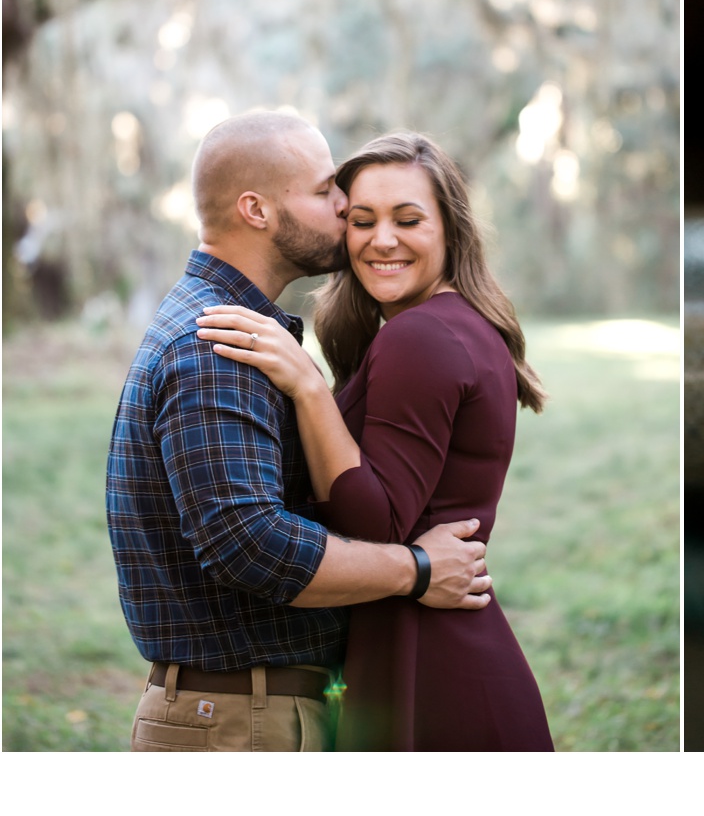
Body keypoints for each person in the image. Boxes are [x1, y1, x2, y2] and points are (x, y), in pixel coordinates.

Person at [108, 111, 494, 752]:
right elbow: (248, 541)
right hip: (239, 721)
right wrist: (419, 569)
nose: (345, 207)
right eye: (324, 191)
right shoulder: (217, 344)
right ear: (256, 210)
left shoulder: (236, 331)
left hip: (248, 711)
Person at [197, 131, 553, 749]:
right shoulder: (453, 325)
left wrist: (308, 389)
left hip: (432, 666)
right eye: (362, 220)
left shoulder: (421, 337)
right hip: (430, 645)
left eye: (408, 219)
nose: (381, 240)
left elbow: (377, 521)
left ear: (451, 229)